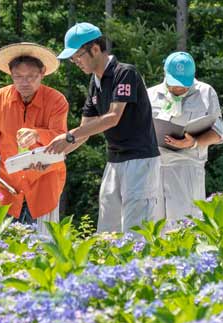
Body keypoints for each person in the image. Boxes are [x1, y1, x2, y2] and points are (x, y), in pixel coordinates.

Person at [45, 23, 162, 233]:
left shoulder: (125, 73)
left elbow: (113, 117)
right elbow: (85, 130)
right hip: (114, 161)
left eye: (78, 56)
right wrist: (51, 158)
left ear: (96, 49)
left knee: (135, 232)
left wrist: (69, 136)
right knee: (108, 231)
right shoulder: (95, 82)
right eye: (72, 58)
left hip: (140, 160)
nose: (75, 62)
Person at [0, 42, 69, 233]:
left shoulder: (56, 100)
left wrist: (38, 134)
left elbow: (62, 138)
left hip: (44, 182)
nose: (25, 83)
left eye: (31, 77)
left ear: (42, 73)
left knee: (43, 245)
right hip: (5, 184)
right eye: (18, 77)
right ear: (11, 75)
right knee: (0, 243)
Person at [147, 51, 223, 222]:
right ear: (165, 73)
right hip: (154, 167)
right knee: (154, 226)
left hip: (187, 167)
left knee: (186, 223)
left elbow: (217, 134)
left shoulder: (206, 93)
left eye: (183, 84)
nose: (178, 88)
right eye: (174, 83)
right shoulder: (150, 95)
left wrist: (194, 142)